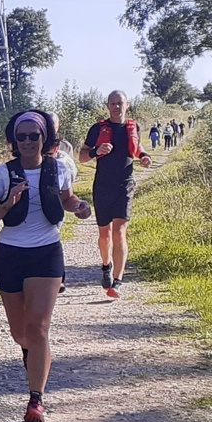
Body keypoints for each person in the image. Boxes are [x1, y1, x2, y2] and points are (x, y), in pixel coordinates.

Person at [0, 110, 91, 422]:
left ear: (45, 138)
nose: (27, 142)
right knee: (20, 333)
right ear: (14, 140)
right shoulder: (3, 174)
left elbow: (66, 199)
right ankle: (33, 354)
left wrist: (79, 207)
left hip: (46, 253)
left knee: (38, 328)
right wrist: (8, 203)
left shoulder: (59, 168)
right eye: (21, 136)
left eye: (34, 136)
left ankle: (35, 400)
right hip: (10, 255)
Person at [80, 91, 152, 299]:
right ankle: (106, 266)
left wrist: (144, 156)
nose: (116, 107)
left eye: (120, 103)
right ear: (107, 106)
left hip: (125, 184)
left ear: (127, 105)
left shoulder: (133, 126)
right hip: (103, 185)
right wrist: (96, 151)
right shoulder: (97, 129)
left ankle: (118, 281)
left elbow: (137, 148)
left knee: (119, 231)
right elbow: (82, 156)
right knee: (105, 234)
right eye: (113, 103)